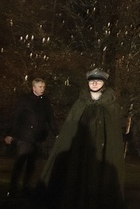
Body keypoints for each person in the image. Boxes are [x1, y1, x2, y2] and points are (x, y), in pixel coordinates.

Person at [37, 68, 125, 208]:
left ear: (104, 83)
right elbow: (70, 130)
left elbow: (113, 134)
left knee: (100, 179)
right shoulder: (80, 104)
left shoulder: (111, 106)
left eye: (98, 80)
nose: (95, 83)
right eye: (92, 80)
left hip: (102, 153)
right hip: (81, 151)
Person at [4, 77, 57, 198]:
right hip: (24, 136)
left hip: (38, 137)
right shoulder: (24, 99)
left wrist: (56, 133)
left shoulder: (46, 101)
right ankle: (13, 188)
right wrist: (10, 133)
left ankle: (25, 187)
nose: (42, 89)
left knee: (31, 165)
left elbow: (50, 118)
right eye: (40, 87)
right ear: (34, 88)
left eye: (43, 87)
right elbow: (16, 116)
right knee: (19, 163)